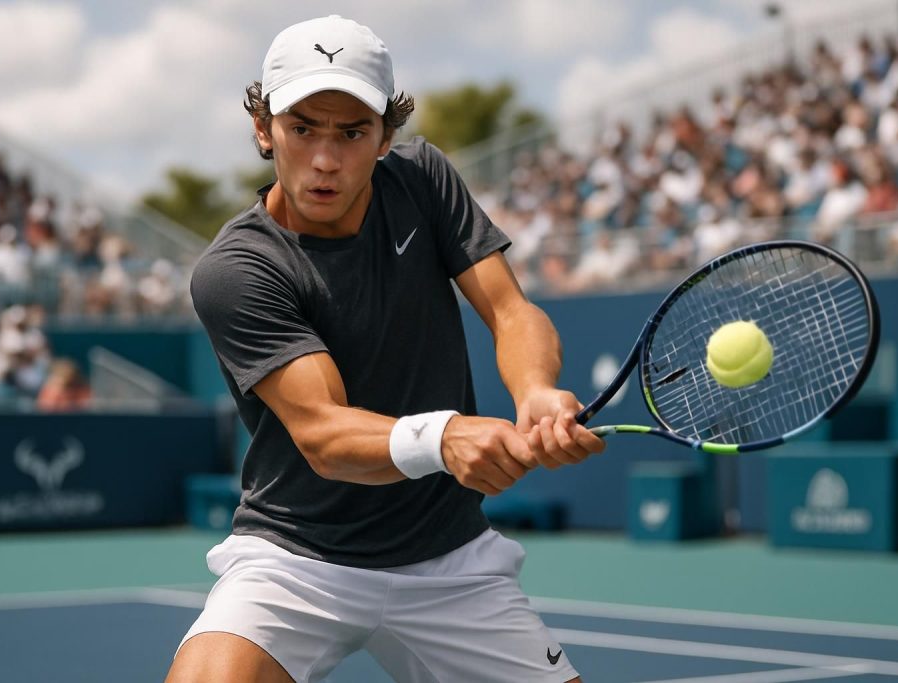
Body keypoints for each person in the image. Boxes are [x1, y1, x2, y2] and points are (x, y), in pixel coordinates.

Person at [168, 15, 604, 683]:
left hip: (450, 560)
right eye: (303, 127)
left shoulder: (422, 179)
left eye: (351, 132)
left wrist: (537, 390)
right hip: (297, 557)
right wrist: (446, 436)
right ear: (264, 129)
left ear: (385, 137)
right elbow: (324, 433)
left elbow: (511, 311)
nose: (324, 158)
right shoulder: (235, 270)